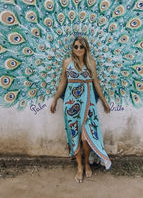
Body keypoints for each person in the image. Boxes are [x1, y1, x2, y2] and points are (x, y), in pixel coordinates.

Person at [50, 36, 111, 183]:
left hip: (87, 104)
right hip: (71, 105)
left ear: (86, 48)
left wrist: (103, 101)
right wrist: (55, 100)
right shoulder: (67, 63)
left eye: (81, 47)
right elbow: (62, 83)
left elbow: (96, 84)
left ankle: (86, 163)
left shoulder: (91, 63)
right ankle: (79, 166)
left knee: (85, 137)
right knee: (74, 135)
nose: (78, 49)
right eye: (75, 46)